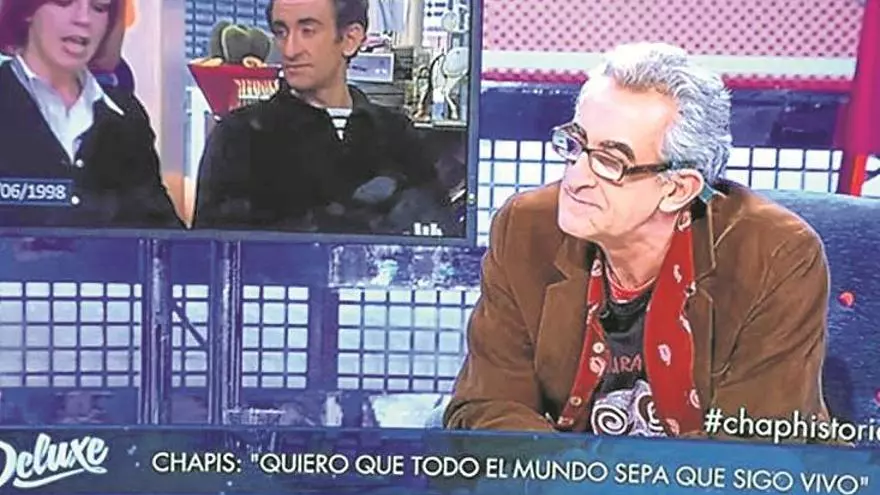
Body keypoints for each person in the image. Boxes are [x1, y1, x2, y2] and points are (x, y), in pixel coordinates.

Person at [444, 42, 833, 441]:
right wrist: (570, 470)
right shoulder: (526, 228)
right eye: (576, 145)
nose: (576, 178)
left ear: (678, 188)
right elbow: (487, 403)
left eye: (610, 161)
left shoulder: (777, 256)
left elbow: (753, 447)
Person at [192, 0, 449, 235]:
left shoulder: (397, 135)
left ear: (350, 39)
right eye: (282, 32)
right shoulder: (240, 136)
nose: (290, 50)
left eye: (307, 31)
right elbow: (210, 254)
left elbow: (440, 235)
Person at [0, 0, 182, 228]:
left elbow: (161, 232)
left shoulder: (127, 116)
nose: (83, 19)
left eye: (99, 7)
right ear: (27, 10)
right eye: (64, 3)